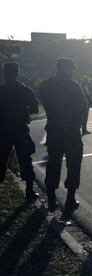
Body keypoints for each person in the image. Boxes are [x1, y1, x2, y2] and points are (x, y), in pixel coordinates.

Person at [39, 57, 87, 211]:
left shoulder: (46, 85)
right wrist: (78, 123)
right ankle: (70, 198)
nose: (72, 72)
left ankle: (52, 198)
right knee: (73, 164)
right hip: (71, 131)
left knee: (53, 163)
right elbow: (83, 106)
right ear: (65, 68)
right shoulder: (73, 86)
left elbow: (45, 103)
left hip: (54, 129)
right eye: (71, 68)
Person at [0, 62, 39, 200]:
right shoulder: (24, 89)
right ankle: (29, 191)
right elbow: (35, 108)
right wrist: (23, 112)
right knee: (25, 160)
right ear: (17, 74)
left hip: (3, 130)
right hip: (20, 129)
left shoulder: (2, 90)